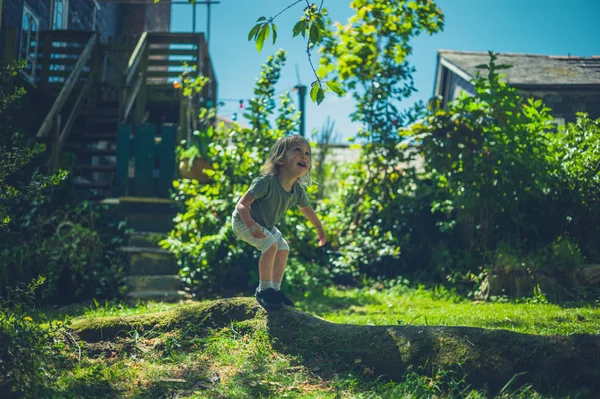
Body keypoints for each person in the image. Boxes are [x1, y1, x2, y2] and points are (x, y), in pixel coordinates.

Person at [232, 134, 326, 309]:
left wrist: (319, 226)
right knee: (270, 245)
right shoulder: (266, 182)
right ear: (281, 159)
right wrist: (251, 224)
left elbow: (306, 209)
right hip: (243, 221)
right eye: (297, 150)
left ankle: (274, 291)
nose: (304, 156)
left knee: (283, 248)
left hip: (266, 225)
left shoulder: (297, 190)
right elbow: (241, 205)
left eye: (307, 153)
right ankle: (264, 290)